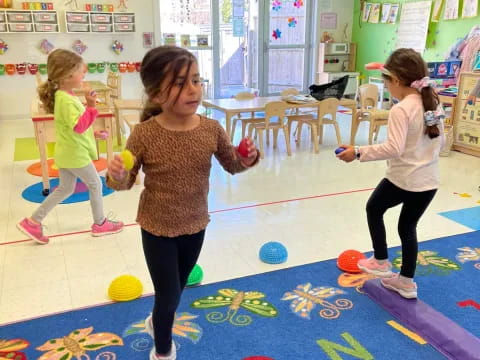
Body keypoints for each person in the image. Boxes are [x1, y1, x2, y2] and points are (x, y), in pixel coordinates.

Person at [106, 46, 260, 360]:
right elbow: (123, 183)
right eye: (179, 82)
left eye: (196, 80)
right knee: (169, 295)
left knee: (174, 293)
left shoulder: (211, 128)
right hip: (157, 228)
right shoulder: (144, 134)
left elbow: (232, 164)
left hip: (195, 225)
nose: (193, 89)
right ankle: (163, 351)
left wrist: (248, 158)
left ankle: (156, 322)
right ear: (156, 93)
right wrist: (117, 174)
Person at [337, 48, 445, 299]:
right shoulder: (432, 100)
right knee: (407, 227)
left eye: (386, 82)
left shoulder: (402, 109)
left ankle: (381, 261)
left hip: (404, 178)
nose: (387, 88)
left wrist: (358, 152)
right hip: (429, 180)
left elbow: (393, 148)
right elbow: (440, 141)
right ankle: (406, 282)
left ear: (396, 81)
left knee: (374, 208)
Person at [17, 49, 124, 245]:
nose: (84, 72)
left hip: (68, 151)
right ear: (66, 75)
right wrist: (91, 106)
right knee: (95, 184)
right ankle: (100, 223)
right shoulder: (65, 99)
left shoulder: (66, 95)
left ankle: (33, 222)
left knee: (65, 189)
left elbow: (73, 127)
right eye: (79, 70)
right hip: (74, 154)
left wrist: (93, 133)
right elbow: (78, 126)